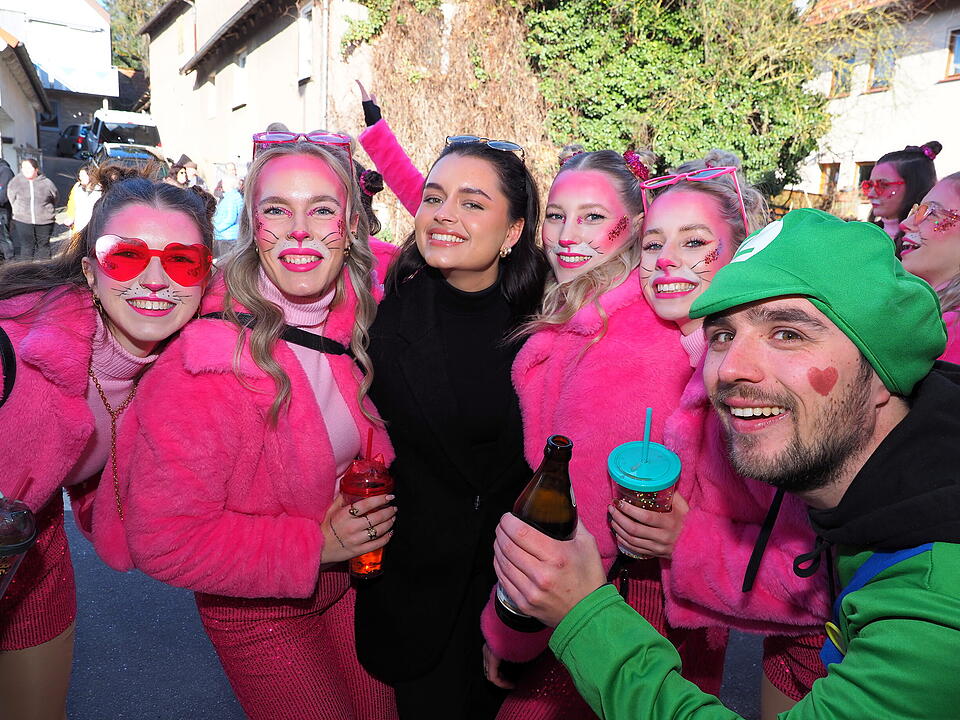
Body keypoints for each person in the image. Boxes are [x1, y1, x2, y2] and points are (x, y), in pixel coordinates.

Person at [493, 208, 960, 720]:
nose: (731, 369)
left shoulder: (935, 603)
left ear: (880, 371)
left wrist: (583, 612)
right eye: (722, 335)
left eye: (787, 333)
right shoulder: (877, 491)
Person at [117, 136, 398, 720]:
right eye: (277, 210)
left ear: (350, 227)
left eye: (322, 208)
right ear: (251, 226)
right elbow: (163, 540)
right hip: (257, 610)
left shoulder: (358, 316)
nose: (299, 230)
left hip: (351, 586)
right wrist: (318, 544)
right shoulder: (207, 361)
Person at [479, 149, 714, 720]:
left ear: (634, 227)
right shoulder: (587, 307)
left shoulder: (627, 338)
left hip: (614, 605)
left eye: (590, 217)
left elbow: (578, 516)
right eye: (556, 215)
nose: (566, 234)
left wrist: (511, 629)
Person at [0, 165, 214, 720]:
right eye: (127, 256)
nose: (154, 280)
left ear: (204, 280)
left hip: (33, 546)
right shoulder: (15, 356)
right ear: (91, 271)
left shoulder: (181, 368)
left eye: (182, 261)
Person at [353, 135, 548, 720]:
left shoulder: (552, 322)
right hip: (414, 596)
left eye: (472, 202)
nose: (444, 214)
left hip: (513, 592)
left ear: (513, 231)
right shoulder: (380, 314)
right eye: (434, 197)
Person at [636, 152, 830, 718]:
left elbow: (817, 571)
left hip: (822, 662)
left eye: (695, 242)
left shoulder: (763, 379)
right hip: (736, 643)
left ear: (742, 252)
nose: (667, 260)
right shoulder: (668, 349)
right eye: (652, 244)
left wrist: (683, 540)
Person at [899, 173, 960, 364]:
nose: (905, 224)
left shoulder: (950, 335)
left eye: (930, 212)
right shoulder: (924, 314)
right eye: (915, 211)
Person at [864, 142, 940, 253]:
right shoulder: (863, 235)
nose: (871, 194)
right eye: (869, 185)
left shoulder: (927, 245)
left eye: (883, 185)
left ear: (914, 186)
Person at [7, 158, 58, 260]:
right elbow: (11, 197)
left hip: (44, 220)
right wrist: (18, 211)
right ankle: (27, 271)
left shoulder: (47, 183)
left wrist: (47, 211)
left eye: (29, 168)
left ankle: (46, 270)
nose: (26, 171)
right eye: (24, 168)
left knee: (44, 246)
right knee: (27, 247)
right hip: (23, 220)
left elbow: (55, 197)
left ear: (36, 169)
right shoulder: (16, 182)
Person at [211, 172, 242, 258]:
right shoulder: (230, 196)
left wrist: (216, 227)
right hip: (226, 237)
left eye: (224, 183)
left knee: (223, 266)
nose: (222, 185)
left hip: (227, 238)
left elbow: (230, 218)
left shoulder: (232, 198)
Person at [65, 164, 102, 235]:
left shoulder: (99, 190)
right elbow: (71, 204)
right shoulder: (77, 187)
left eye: (83, 175)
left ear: (91, 176)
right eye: (79, 175)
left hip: (94, 230)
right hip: (78, 229)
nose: (80, 178)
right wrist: (70, 217)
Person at [0, 158, 14, 261]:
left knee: (4, 238)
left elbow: (3, 195)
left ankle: (10, 262)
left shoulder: (5, 171)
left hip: (2, 211)